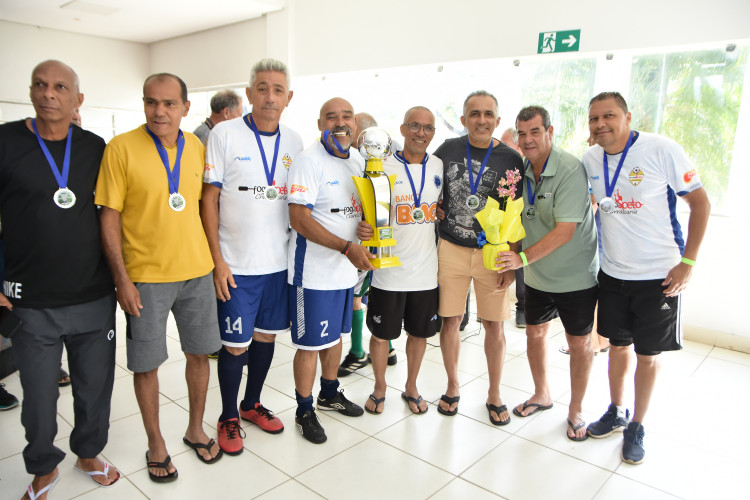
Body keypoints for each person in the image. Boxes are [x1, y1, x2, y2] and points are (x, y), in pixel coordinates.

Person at [0, 59, 119, 499]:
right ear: (31, 91)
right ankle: (42, 467)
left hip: (93, 295)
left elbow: (112, 214)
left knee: (95, 388)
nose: (49, 93)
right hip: (30, 301)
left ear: (77, 99)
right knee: (37, 398)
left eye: (60, 87)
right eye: (40, 84)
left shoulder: (95, 147)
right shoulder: (5, 141)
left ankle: (88, 453)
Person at [97, 72, 223, 482]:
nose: (159, 111)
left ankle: (195, 429)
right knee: (146, 365)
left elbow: (205, 208)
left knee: (199, 355)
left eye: (169, 103)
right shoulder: (120, 148)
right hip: (145, 278)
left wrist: (216, 262)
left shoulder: (197, 147)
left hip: (197, 273)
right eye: (151, 102)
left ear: (186, 107)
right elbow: (109, 217)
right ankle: (156, 442)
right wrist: (121, 279)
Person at [582, 91, 710, 464]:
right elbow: (593, 202)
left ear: (627, 117)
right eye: (594, 118)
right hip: (612, 273)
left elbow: (700, 202)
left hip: (659, 276)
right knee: (617, 346)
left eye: (609, 115)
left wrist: (688, 262)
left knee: (647, 354)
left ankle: (637, 424)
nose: (601, 123)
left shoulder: (660, 149)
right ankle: (617, 410)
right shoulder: (591, 158)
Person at [201, 58, 302, 454]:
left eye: (278, 90)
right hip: (236, 266)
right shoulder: (224, 134)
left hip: (277, 265)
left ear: (288, 97)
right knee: (234, 346)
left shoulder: (294, 141)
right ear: (249, 94)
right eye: (262, 88)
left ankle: (251, 404)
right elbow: (208, 200)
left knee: (265, 337)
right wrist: (217, 261)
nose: (269, 97)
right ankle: (228, 416)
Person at [496, 106, 598, 440]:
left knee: (579, 343)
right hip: (537, 275)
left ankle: (576, 409)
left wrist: (521, 259)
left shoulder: (569, 168)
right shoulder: (521, 171)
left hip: (575, 277)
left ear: (550, 132)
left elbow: (565, 231)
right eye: (522, 133)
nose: (527, 140)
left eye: (535, 132)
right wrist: (511, 259)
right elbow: (515, 219)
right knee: (535, 334)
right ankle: (542, 394)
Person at [433, 90, 523, 425]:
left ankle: (495, 393)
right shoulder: (447, 150)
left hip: (493, 253)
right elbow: (429, 187)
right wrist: (435, 205)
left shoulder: (511, 158)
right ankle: (452, 385)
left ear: (497, 120)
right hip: (451, 248)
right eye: (474, 114)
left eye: (488, 114)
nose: (481, 120)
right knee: (450, 320)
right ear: (463, 119)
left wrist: (512, 259)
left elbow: (516, 213)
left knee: (494, 325)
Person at [287, 97, 372, 443]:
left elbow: (354, 211)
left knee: (335, 337)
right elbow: (299, 219)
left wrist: (363, 228)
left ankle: (329, 392)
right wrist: (347, 247)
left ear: (355, 124)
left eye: (346, 116)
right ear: (320, 124)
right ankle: (304, 409)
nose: (340, 123)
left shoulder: (358, 160)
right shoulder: (308, 161)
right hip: (313, 274)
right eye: (331, 117)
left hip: (344, 273)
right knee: (310, 345)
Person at [359, 106, 442, 415]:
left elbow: (439, 205)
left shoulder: (438, 165)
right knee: (381, 335)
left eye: (428, 128)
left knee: (419, 334)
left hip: (425, 272)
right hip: (388, 271)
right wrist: (363, 228)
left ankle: (411, 387)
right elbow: (367, 213)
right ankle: (380, 388)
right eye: (415, 126)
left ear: (433, 133)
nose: (421, 133)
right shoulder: (380, 166)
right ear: (403, 129)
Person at [337, 111, 396, 377]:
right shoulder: (380, 165)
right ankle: (388, 348)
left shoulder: (366, 165)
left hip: (368, 240)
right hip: (376, 239)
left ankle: (358, 351)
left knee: (357, 295)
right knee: (374, 292)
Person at [499, 127, 526, 328]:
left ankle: (523, 308)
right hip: (502, 225)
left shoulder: (529, 167)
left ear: (518, 147)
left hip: (525, 226)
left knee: (521, 264)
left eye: (506, 145)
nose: (502, 149)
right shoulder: (503, 168)